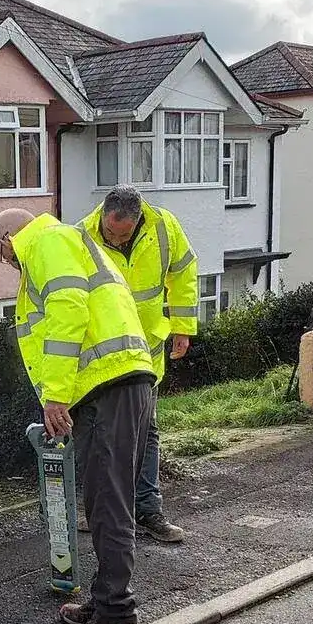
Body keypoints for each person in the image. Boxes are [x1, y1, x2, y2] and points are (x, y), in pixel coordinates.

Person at [0, 207, 155, 624]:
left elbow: (68, 312)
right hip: (121, 382)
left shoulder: (43, 243)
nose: (10, 263)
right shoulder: (71, 241)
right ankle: (106, 602)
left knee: (108, 505)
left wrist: (56, 395)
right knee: (108, 501)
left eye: (4, 256)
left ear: (8, 240)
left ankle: (117, 615)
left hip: (107, 387)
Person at [79, 185, 198, 545]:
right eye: (110, 232)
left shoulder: (164, 226)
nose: (115, 239)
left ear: (138, 218)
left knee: (147, 432)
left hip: (145, 352)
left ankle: (147, 510)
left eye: (123, 234)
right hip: (102, 358)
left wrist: (182, 325)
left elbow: (184, 271)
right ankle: (92, 509)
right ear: (103, 214)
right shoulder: (82, 235)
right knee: (96, 434)